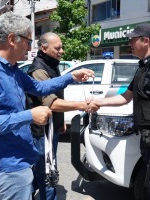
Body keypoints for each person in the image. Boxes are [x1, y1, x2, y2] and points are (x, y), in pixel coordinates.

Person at [0, 12, 94, 200]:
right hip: (9, 166)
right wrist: (29, 116)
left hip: (21, 160)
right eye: (27, 40)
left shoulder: (11, 68)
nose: (30, 46)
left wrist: (71, 77)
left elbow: (39, 87)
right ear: (11, 39)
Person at [93, 23, 150, 199]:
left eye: (133, 39)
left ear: (146, 41)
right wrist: (98, 102)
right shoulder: (144, 67)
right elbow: (126, 97)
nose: (130, 43)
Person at [26, 32, 99, 200]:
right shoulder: (39, 69)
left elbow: (57, 95)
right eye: (57, 48)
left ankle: (26, 190)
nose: (62, 51)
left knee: (42, 167)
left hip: (53, 127)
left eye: (61, 47)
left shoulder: (51, 64)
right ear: (44, 49)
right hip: (42, 131)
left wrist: (60, 121)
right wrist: (83, 105)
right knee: (47, 171)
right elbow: (51, 103)